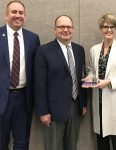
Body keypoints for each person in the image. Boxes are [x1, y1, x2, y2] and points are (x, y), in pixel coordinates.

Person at [34, 15, 87, 150]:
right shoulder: (44, 51)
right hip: (53, 110)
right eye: (61, 27)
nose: (65, 29)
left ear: (73, 29)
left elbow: (83, 76)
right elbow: (39, 84)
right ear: (55, 30)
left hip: (76, 107)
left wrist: (84, 103)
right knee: (54, 147)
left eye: (68, 27)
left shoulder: (79, 50)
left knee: (72, 146)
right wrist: (43, 111)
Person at [82, 13, 116, 150]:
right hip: (98, 102)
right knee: (101, 142)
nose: (109, 30)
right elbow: (92, 71)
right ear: (101, 29)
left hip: (114, 101)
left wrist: (109, 81)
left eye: (112, 27)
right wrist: (89, 78)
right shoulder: (94, 49)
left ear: (115, 29)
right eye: (105, 27)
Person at [0, 0, 40, 149]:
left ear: (25, 16)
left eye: (21, 12)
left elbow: (36, 71)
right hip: (2, 98)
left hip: (24, 99)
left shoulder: (33, 38)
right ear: (6, 15)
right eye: (14, 12)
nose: (18, 15)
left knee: (22, 142)